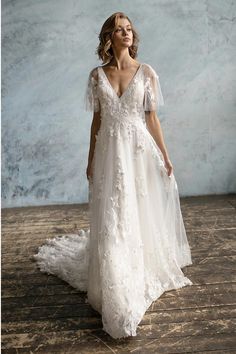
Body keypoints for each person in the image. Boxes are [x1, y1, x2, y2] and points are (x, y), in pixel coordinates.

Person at [32, 11, 193, 339]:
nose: (127, 34)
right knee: (112, 214)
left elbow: (152, 119)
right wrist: (90, 160)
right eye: (120, 30)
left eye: (130, 29)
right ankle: (113, 275)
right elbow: (96, 122)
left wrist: (165, 155)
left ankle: (136, 269)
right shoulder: (96, 76)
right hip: (108, 151)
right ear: (109, 37)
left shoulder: (146, 73)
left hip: (136, 152)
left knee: (136, 211)